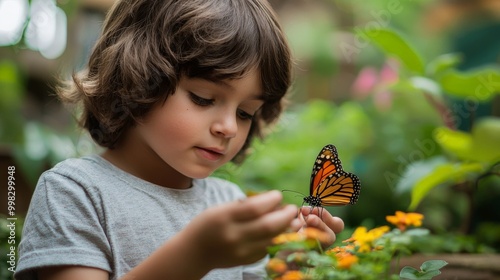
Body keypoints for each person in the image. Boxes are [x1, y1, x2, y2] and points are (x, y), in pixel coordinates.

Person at [15, 0, 345, 279]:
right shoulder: (75, 192)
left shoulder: (229, 203)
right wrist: (195, 255)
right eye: (203, 98)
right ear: (136, 76)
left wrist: (288, 264)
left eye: (246, 113)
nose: (229, 127)